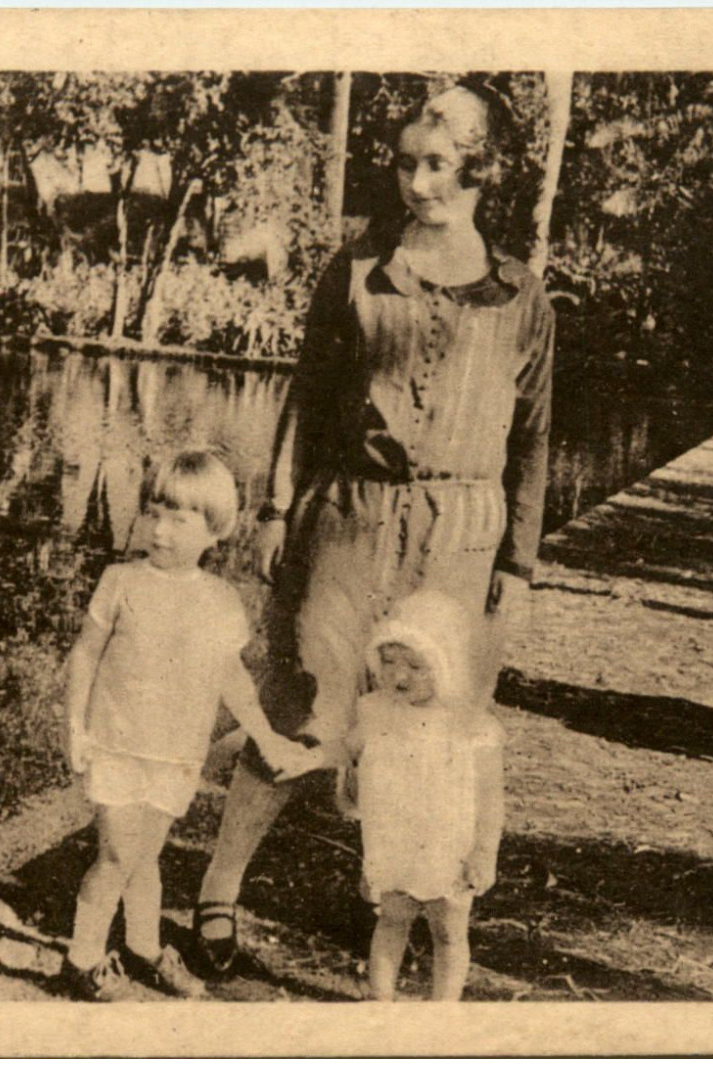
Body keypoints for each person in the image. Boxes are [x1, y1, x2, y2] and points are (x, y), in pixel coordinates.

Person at [192, 81, 554, 975]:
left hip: (463, 530)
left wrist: (519, 559)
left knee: (428, 724)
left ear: (479, 168)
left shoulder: (520, 296)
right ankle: (217, 889)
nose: (416, 182)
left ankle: (412, 900)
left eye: (436, 164)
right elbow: (305, 400)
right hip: (348, 516)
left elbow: (537, 434)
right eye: (404, 162)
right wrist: (278, 508)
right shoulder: (353, 271)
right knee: (300, 704)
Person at [61, 450, 316, 1001]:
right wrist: (75, 726)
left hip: (176, 753)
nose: (161, 530)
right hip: (117, 744)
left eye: (181, 520)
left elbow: (233, 678)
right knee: (115, 856)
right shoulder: (120, 581)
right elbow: (84, 655)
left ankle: (143, 945)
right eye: (155, 512)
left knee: (146, 856)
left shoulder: (219, 601)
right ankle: (81, 958)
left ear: (215, 531)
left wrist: (267, 735)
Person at [339, 591, 504, 1001]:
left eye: (416, 665)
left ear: (445, 667)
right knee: (391, 920)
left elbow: (490, 799)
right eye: (389, 661)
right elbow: (349, 759)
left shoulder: (469, 726)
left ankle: (442, 1008)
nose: (399, 675)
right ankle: (381, 1001)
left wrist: (484, 851)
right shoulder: (374, 711)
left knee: (448, 930)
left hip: (449, 846)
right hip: (394, 840)